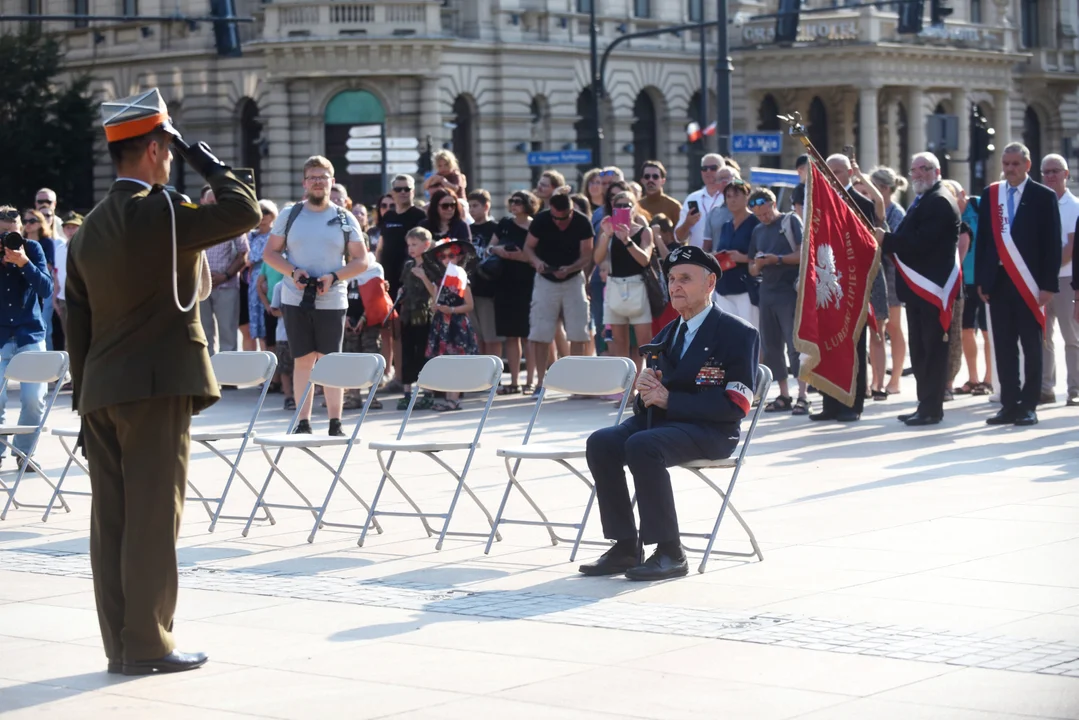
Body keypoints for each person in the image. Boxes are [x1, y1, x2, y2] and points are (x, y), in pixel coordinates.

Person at [65, 88, 260, 674]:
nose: (171, 161)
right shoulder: (163, 210)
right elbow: (244, 209)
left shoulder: (91, 227)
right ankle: (148, 644)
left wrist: (82, 400)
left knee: (112, 522)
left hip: (100, 389)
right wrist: (205, 157)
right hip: (154, 387)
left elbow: (76, 322)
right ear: (155, 149)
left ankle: (120, 644)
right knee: (153, 517)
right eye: (168, 150)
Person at [580, 245, 759, 581]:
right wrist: (645, 391)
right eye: (672, 279)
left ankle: (670, 552)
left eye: (685, 279)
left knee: (643, 445)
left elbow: (736, 405)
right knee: (602, 442)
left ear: (709, 284)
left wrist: (669, 401)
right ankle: (624, 546)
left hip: (712, 430)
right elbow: (651, 400)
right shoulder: (668, 333)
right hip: (664, 424)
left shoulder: (737, 333)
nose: (675, 286)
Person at [262, 155, 370, 436]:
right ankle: (303, 422)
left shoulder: (344, 218)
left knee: (331, 360)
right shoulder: (290, 214)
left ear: (332, 182)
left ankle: (336, 423)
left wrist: (334, 277)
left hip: (332, 299)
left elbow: (361, 261)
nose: (318, 182)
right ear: (304, 183)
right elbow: (270, 253)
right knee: (303, 359)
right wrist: (293, 272)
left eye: (323, 177)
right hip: (295, 298)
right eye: (313, 177)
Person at [975, 142, 1062, 426]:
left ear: (1027, 165)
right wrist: (981, 279)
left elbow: (1052, 245)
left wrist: (1048, 285)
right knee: (1003, 344)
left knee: (1032, 346)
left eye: (1015, 164)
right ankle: (1009, 404)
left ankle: (1029, 405)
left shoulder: (1043, 196)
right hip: (998, 282)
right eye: (1006, 164)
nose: (1010, 169)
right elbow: (985, 240)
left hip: (1030, 283)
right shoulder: (992, 194)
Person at [873, 152, 960, 426]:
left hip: (932, 289)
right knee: (921, 350)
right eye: (914, 170)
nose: (918, 174)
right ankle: (925, 404)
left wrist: (886, 239)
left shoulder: (940, 200)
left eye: (924, 168)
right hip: (918, 289)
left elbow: (922, 244)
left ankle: (932, 409)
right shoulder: (924, 198)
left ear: (937, 171)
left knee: (932, 350)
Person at [811, 153, 879, 423]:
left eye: (838, 172)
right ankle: (831, 402)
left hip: (851, 288)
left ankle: (853, 404)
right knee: (828, 344)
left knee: (852, 345)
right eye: (829, 172)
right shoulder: (820, 204)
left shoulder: (861, 203)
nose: (832, 177)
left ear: (850, 173)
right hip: (826, 287)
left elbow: (867, 246)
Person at [523, 191, 594, 390]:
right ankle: (540, 382)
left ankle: (576, 382)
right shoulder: (541, 220)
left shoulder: (582, 222)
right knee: (540, 332)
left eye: (563, 218)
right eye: (555, 217)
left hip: (573, 278)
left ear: (571, 211)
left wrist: (570, 268)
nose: (559, 222)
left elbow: (587, 254)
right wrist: (537, 262)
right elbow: (527, 248)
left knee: (578, 331)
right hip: (545, 278)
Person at [748, 188, 808, 415]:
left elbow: (803, 254)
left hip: (789, 293)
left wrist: (778, 259)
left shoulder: (791, 221)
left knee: (796, 346)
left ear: (774, 203)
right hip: (767, 292)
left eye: (766, 212)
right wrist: (760, 264)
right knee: (772, 346)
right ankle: (784, 394)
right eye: (759, 215)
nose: (764, 218)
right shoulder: (757, 231)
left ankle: (803, 394)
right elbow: (751, 268)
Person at [0, 206, 52, 470]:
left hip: (29, 332)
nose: (10, 239)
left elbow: (46, 287)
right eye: (4, 234)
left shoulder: (32, 250)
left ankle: (23, 452)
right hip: (0, 336)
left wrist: (24, 264)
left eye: (14, 232)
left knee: (34, 399)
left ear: (21, 229)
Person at [594, 191, 654, 371]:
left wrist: (627, 240)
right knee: (620, 345)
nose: (622, 209)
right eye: (618, 206)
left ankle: (645, 387)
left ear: (635, 207)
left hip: (637, 286)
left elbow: (645, 260)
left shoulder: (644, 231)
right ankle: (627, 392)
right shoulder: (608, 231)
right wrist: (606, 235)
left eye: (627, 205)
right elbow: (597, 259)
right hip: (615, 286)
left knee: (644, 345)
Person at [417, 238, 479, 411]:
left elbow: (470, 305)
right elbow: (434, 299)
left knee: (457, 362)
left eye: (451, 255)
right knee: (443, 361)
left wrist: (450, 309)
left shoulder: (461, 278)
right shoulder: (439, 280)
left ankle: (454, 399)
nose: (447, 259)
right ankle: (447, 398)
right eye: (443, 256)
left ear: (458, 257)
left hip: (457, 324)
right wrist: (435, 306)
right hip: (441, 325)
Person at [379, 175, 427, 393]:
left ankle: (419, 378)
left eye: (407, 188)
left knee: (415, 331)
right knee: (395, 330)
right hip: (389, 281)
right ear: (392, 192)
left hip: (412, 282)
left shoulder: (419, 216)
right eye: (398, 189)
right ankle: (399, 376)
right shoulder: (387, 216)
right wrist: (379, 275)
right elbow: (381, 247)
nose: (402, 192)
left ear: (413, 191)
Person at [1039, 153, 1079, 406]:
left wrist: (1048, 270)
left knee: (1072, 338)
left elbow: (1072, 247)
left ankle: (1075, 389)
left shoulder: (1074, 206)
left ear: (1066, 174)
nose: (1051, 176)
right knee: (1043, 337)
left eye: (1055, 171)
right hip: (1041, 280)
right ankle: (1045, 388)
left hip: (1065, 280)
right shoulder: (1039, 203)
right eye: (1046, 172)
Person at [491, 191, 538, 394]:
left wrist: (521, 257)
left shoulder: (536, 226)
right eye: (512, 201)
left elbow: (539, 256)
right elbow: (490, 247)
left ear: (528, 204)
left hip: (529, 283)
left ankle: (531, 381)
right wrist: (499, 250)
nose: (514, 205)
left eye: (518, 202)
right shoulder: (504, 224)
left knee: (529, 335)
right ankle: (514, 381)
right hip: (505, 282)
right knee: (511, 335)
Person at [870, 165, 909, 396]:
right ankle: (877, 379)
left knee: (893, 326)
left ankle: (894, 379)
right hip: (876, 273)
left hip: (892, 272)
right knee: (877, 328)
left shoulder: (896, 212)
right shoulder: (874, 209)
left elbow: (895, 243)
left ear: (884, 188)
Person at [198, 186, 249, 355]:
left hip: (226, 285)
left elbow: (243, 254)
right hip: (200, 287)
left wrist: (225, 275)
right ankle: (209, 378)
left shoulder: (232, 223)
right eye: (211, 201)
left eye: (217, 202)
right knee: (203, 335)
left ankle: (229, 380)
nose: (214, 205)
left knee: (228, 335)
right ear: (203, 202)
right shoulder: (196, 223)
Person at [398, 227, 436, 410]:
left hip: (425, 315)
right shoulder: (408, 265)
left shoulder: (432, 266)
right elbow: (405, 285)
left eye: (415, 244)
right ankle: (407, 391)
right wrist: (401, 291)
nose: (411, 248)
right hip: (408, 315)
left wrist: (424, 278)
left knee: (424, 353)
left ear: (426, 245)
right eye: (409, 245)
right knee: (407, 352)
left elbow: (436, 293)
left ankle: (427, 392)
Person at [713, 179, 760, 327]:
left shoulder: (756, 223)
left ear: (747, 196)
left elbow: (764, 253)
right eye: (728, 196)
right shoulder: (726, 226)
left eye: (736, 195)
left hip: (746, 288)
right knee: (729, 335)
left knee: (750, 332)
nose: (732, 200)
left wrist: (744, 258)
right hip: (724, 287)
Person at [466, 189, 503, 358]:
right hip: (470, 289)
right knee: (477, 337)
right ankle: (481, 376)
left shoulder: (496, 228)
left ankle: (494, 376)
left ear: (486, 206)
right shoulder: (467, 229)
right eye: (470, 206)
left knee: (491, 337)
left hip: (489, 289)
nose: (472, 210)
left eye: (475, 206)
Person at [20, 208, 58, 351]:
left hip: (43, 284)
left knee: (44, 325)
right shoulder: (18, 242)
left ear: (40, 223)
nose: (28, 224)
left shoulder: (46, 242)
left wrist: (25, 263)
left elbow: (49, 266)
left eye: (32, 221)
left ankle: (48, 362)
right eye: (25, 221)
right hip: (24, 287)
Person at [244, 199, 277, 352]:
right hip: (252, 281)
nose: (262, 216)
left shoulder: (275, 235)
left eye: (266, 212)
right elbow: (246, 257)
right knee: (255, 322)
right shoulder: (251, 235)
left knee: (267, 323)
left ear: (273, 215)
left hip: (268, 278)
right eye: (260, 211)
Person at [675, 154, 726, 251]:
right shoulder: (692, 198)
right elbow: (679, 238)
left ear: (722, 171)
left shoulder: (728, 197)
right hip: (697, 261)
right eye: (704, 168)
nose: (708, 171)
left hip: (723, 260)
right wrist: (687, 223)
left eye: (713, 168)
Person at [267, 277, 294, 409]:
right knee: (285, 368)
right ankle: (288, 397)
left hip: (302, 333)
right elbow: (274, 310)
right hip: (283, 335)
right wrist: (290, 313)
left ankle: (300, 396)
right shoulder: (280, 286)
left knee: (302, 366)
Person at [637, 160, 682, 225]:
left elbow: (681, 233)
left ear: (663, 181)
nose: (650, 180)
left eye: (655, 177)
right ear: (642, 180)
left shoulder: (674, 206)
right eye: (647, 176)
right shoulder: (637, 206)